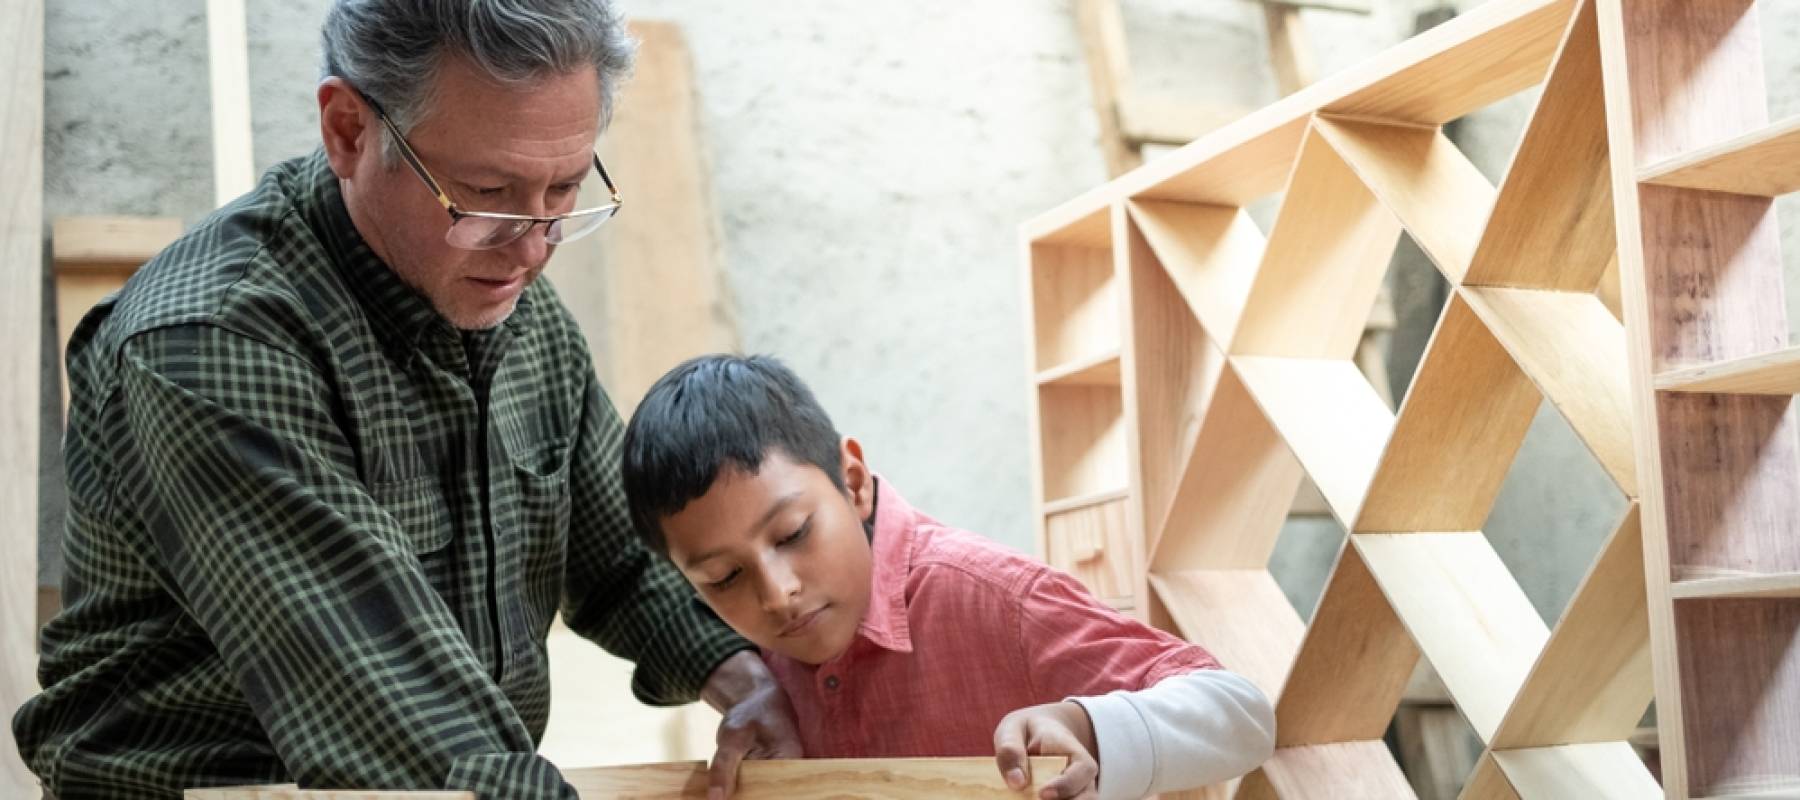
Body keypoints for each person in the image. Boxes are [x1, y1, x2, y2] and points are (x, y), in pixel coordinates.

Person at [13, 2, 799, 798]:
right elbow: (395, 710)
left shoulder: (517, 313)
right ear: (350, 130)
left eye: (563, 190)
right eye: (487, 192)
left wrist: (749, 680)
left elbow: (626, 562)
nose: (531, 248)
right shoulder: (209, 346)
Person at [620, 354, 1277, 800]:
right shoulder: (762, 662)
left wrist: (1086, 725)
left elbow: (1241, 715)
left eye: (793, 534)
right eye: (723, 576)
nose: (776, 592)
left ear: (853, 482)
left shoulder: (991, 596)